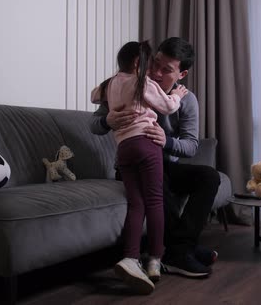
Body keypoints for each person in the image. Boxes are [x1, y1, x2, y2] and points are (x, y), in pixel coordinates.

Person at [90, 37, 221, 279]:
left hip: (165, 163)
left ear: (182, 74)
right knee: (159, 186)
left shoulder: (186, 100)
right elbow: (94, 125)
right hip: (136, 164)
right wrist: (106, 121)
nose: (156, 73)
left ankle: (181, 248)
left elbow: (191, 146)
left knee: (210, 177)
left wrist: (167, 141)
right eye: (155, 64)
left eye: (166, 70)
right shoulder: (133, 83)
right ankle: (181, 253)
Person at [91, 40, 188, 294]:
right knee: (155, 202)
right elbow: (167, 106)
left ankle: (130, 257)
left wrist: (110, 108)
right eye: (148, 64)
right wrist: (176, 95)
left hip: (124, 149)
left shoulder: (111, 83)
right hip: (147, 143)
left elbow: (93, 95)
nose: (152, 70)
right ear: (137, 64)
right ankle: (155, 259)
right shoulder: (143, 82)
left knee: (137, 204)